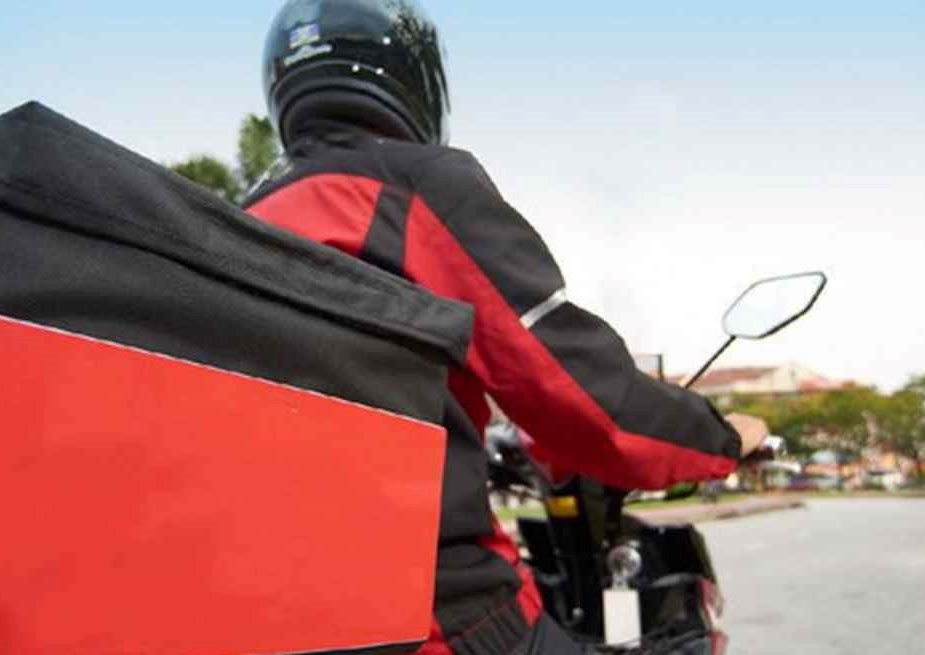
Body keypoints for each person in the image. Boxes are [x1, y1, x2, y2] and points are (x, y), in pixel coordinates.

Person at [242, 2, 769, 653]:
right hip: (437, 614)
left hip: (275, 610)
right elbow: (581, 394)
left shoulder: (244, 217)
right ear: (416, 76)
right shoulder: (412, 187)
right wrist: (722, 435)